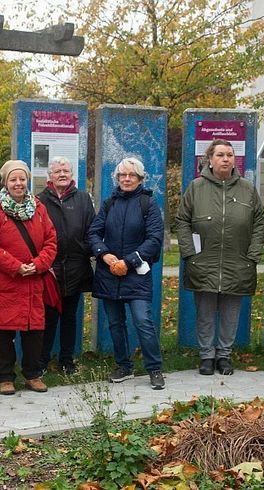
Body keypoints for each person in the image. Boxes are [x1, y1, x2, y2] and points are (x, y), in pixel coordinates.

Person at [174, 140, 264, 376]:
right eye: (221, 155)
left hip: (238, 262)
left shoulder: (247, 188)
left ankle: (224, 356)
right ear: (210, 160)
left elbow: (259, 222)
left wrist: (253, 254)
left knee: (230, 312)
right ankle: (206, 356)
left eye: (230, 155)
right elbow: (182, 220)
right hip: (204, 261)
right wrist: (189, 252)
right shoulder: (196, 187)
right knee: (204, 312)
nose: (226, 159)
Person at [0, 160, 58, 394]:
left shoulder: (39, 208)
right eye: (13, 179)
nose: (18, 183)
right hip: (4, 282)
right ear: (5, 182)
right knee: (3, 332)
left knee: (34, 331)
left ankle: (32, 374)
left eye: (22, 179)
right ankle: (5, 377)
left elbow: (51, 241)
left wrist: (37, 265)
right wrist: (16, 266)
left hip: (33, 280)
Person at [88, 157, 166, 389]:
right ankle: (124, 366)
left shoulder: (148, 204)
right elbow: (93, 233)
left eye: (131, 175)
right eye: (122, 175)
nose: (126, 178)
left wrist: (129, 261)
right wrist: (105, 255)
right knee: (115, 323)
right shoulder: (109, 203)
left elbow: (154, 239)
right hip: (109, 272)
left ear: (140, 179)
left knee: (143, 321)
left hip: (137, 274)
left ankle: (154, 368)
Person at [36, 157, 94, 376]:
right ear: (50, 176)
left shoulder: (83, 199)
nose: (62, 174)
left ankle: (67, 360)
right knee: (48, 317)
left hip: (75, 268)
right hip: (49, 270)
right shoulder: (40, 201)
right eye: (58, 171)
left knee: (70, 317)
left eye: (66, 171)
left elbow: (92, 229)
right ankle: (42, 360)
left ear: (72, 174)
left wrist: (86, 250)